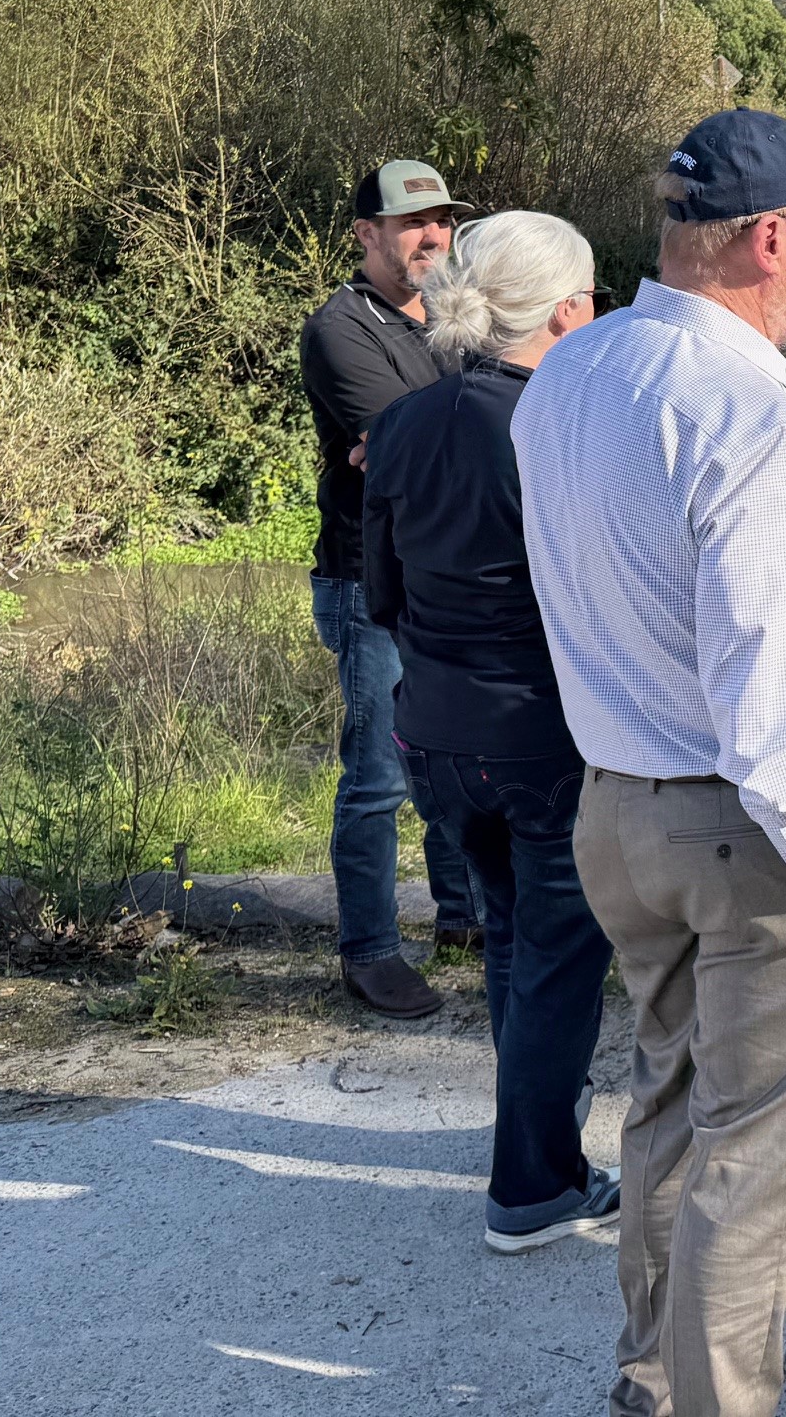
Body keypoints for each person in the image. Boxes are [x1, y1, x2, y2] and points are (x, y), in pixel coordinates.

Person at [514, 108, 786, 1417]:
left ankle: (654, 1377)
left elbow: (638, 542)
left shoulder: (573, 371)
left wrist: (778, 440)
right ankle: (716, 1400)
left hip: (620, 811)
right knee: (759, 1158)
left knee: (675, 1105)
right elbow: (776, 719)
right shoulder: (748, 425)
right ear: (769, 239)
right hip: (753, 827)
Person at [363, 209, 621, 1254]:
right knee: (558, 959)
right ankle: (529, 1188)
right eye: (595, 297)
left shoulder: (407, 421)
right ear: (566, 311)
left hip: (433, 730)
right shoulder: (563, 424)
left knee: (515, 942)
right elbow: (606, 602)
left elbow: (382, 592)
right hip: (542, 737)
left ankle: (543, 1158)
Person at [299, 158, 483, 1018]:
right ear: (367, 233)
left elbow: (455, 431)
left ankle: (463, 918)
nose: (432, 236)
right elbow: (425, 437)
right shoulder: (341, 329)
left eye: (441, 220)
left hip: (440, 569)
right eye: (412, 223)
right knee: (376, 776)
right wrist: (440, 438)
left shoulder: (455, 317)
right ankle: (369, 949)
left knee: (450, 753)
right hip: (367, 582)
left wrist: (423, 443)